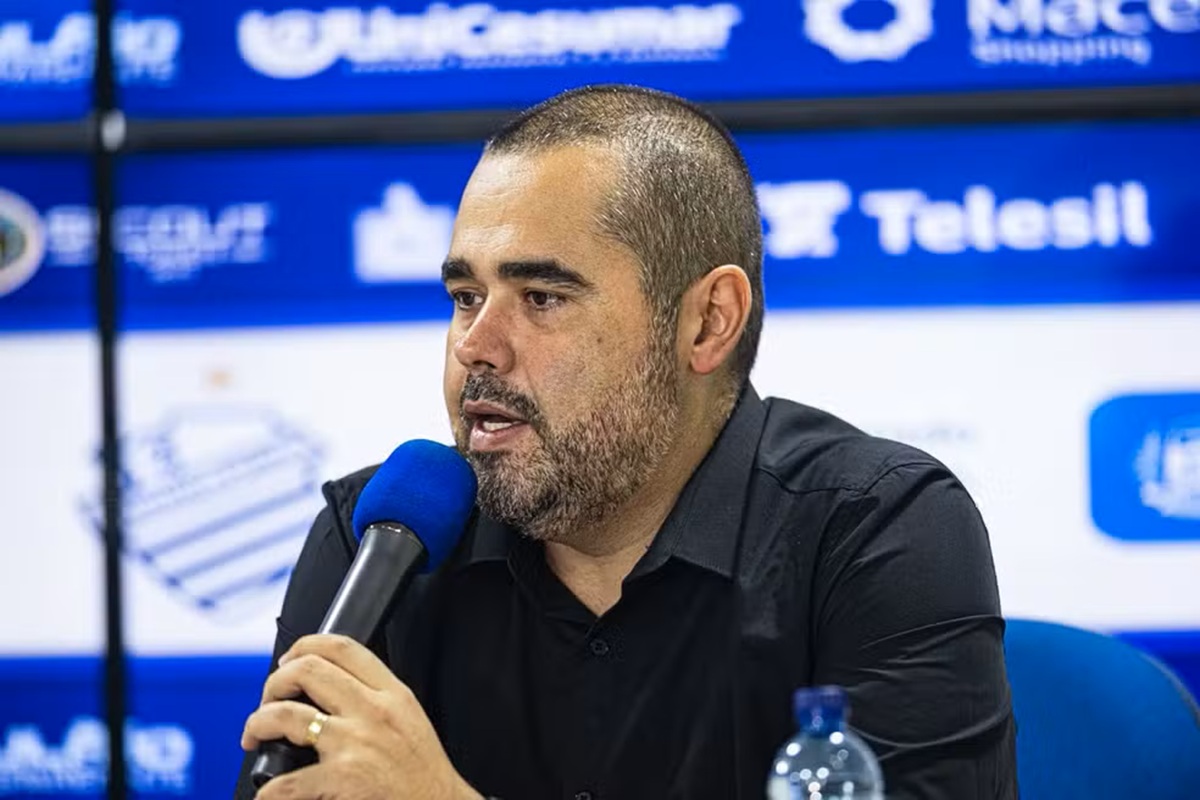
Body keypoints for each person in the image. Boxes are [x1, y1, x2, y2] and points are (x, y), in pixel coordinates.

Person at [235, 84, 1017, 799]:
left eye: (542, 297)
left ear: (707, 322)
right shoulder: (379, 541)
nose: (476, 346)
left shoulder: (877, 527)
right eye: (466, 296)